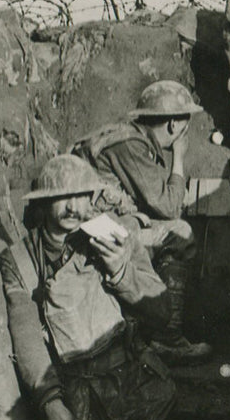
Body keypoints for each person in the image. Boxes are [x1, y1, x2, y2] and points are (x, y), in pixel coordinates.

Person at [0, 153, 180, 420]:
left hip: (133, 390)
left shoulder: (113, 238)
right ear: (41, 205)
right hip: (74, 403)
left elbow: (162, 313)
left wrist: (120, 271)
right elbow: (24, 333)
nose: (73, 207)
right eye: (61, 198)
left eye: (80, 195)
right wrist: (49, 401)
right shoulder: (20, 260)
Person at [74, 79, 213, 363]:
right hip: (99, 231)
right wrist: (179, 157)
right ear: (174, 125)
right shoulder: (131, 145)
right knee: (181, 235)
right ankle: (168, 338)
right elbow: (170, 207)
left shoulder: (129, 138)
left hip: (101, 224)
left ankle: (152, 329)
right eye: (184, 124)